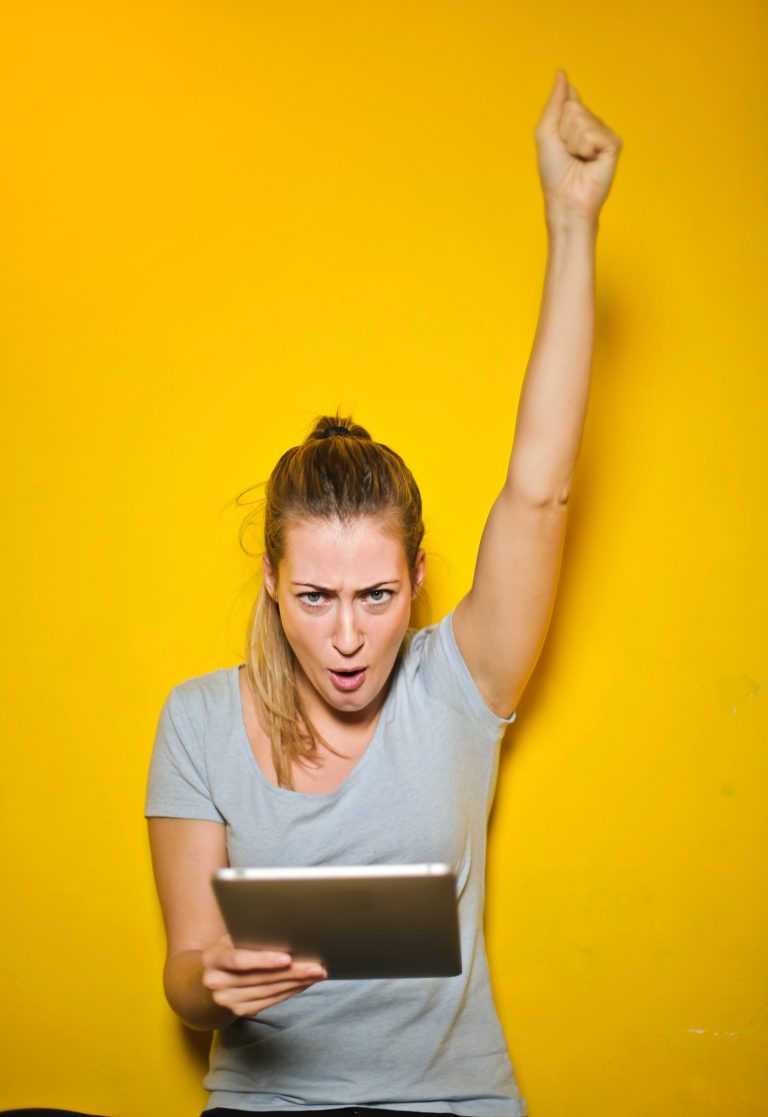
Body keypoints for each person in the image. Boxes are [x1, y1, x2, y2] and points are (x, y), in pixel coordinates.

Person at [143, 69, 622, 1117]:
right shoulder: (197, 722)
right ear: (271, 582)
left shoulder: (460, 684)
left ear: (417, 579)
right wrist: (210, 984)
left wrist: (571, 221)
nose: (351, 635)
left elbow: (540, 490)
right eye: (316, 596)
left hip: (452, 1103)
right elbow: (184, 969)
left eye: (377, 593)